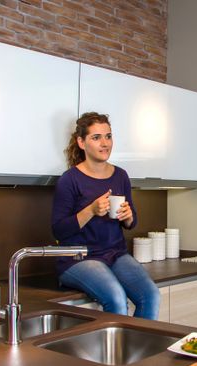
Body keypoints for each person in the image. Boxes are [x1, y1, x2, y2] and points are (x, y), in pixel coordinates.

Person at [51, 112, 160, 320]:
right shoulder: (70, 179)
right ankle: (117, 352)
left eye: (108, 136)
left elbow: (131, 221)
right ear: (81, 142)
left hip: (115, 254)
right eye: (96, 137)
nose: (105, 143)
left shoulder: (120, 175)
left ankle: (137, 350)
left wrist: (128, 216)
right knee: (116, 298)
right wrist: (91, 210)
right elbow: (58, 230)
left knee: (151, 295)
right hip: (79, 258)